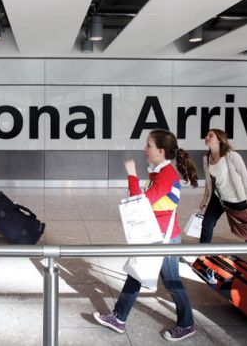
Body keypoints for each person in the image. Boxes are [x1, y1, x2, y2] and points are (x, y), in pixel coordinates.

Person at [93, 129, 198, 342]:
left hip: (164, 239)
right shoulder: (159, 173)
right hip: (156, 234)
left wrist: (132, 174)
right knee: (137, 274)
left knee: (171, 281)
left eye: (149, 145)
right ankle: (119, 318)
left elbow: (139, 204)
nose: (145, 149)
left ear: (160, 150)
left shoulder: (166, 176)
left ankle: (186, 324)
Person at [199, 128, 247, 277]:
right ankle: (202, 256)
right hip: (219, 198)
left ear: (220, 139)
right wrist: (205, 199)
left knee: (244, 230)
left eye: (210, 135)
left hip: (236, 199)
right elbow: (209, 182)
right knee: (207, 225)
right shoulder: (207, 158)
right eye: (207, 135)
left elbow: (245, 178)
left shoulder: (232, 156)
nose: (207, 137)